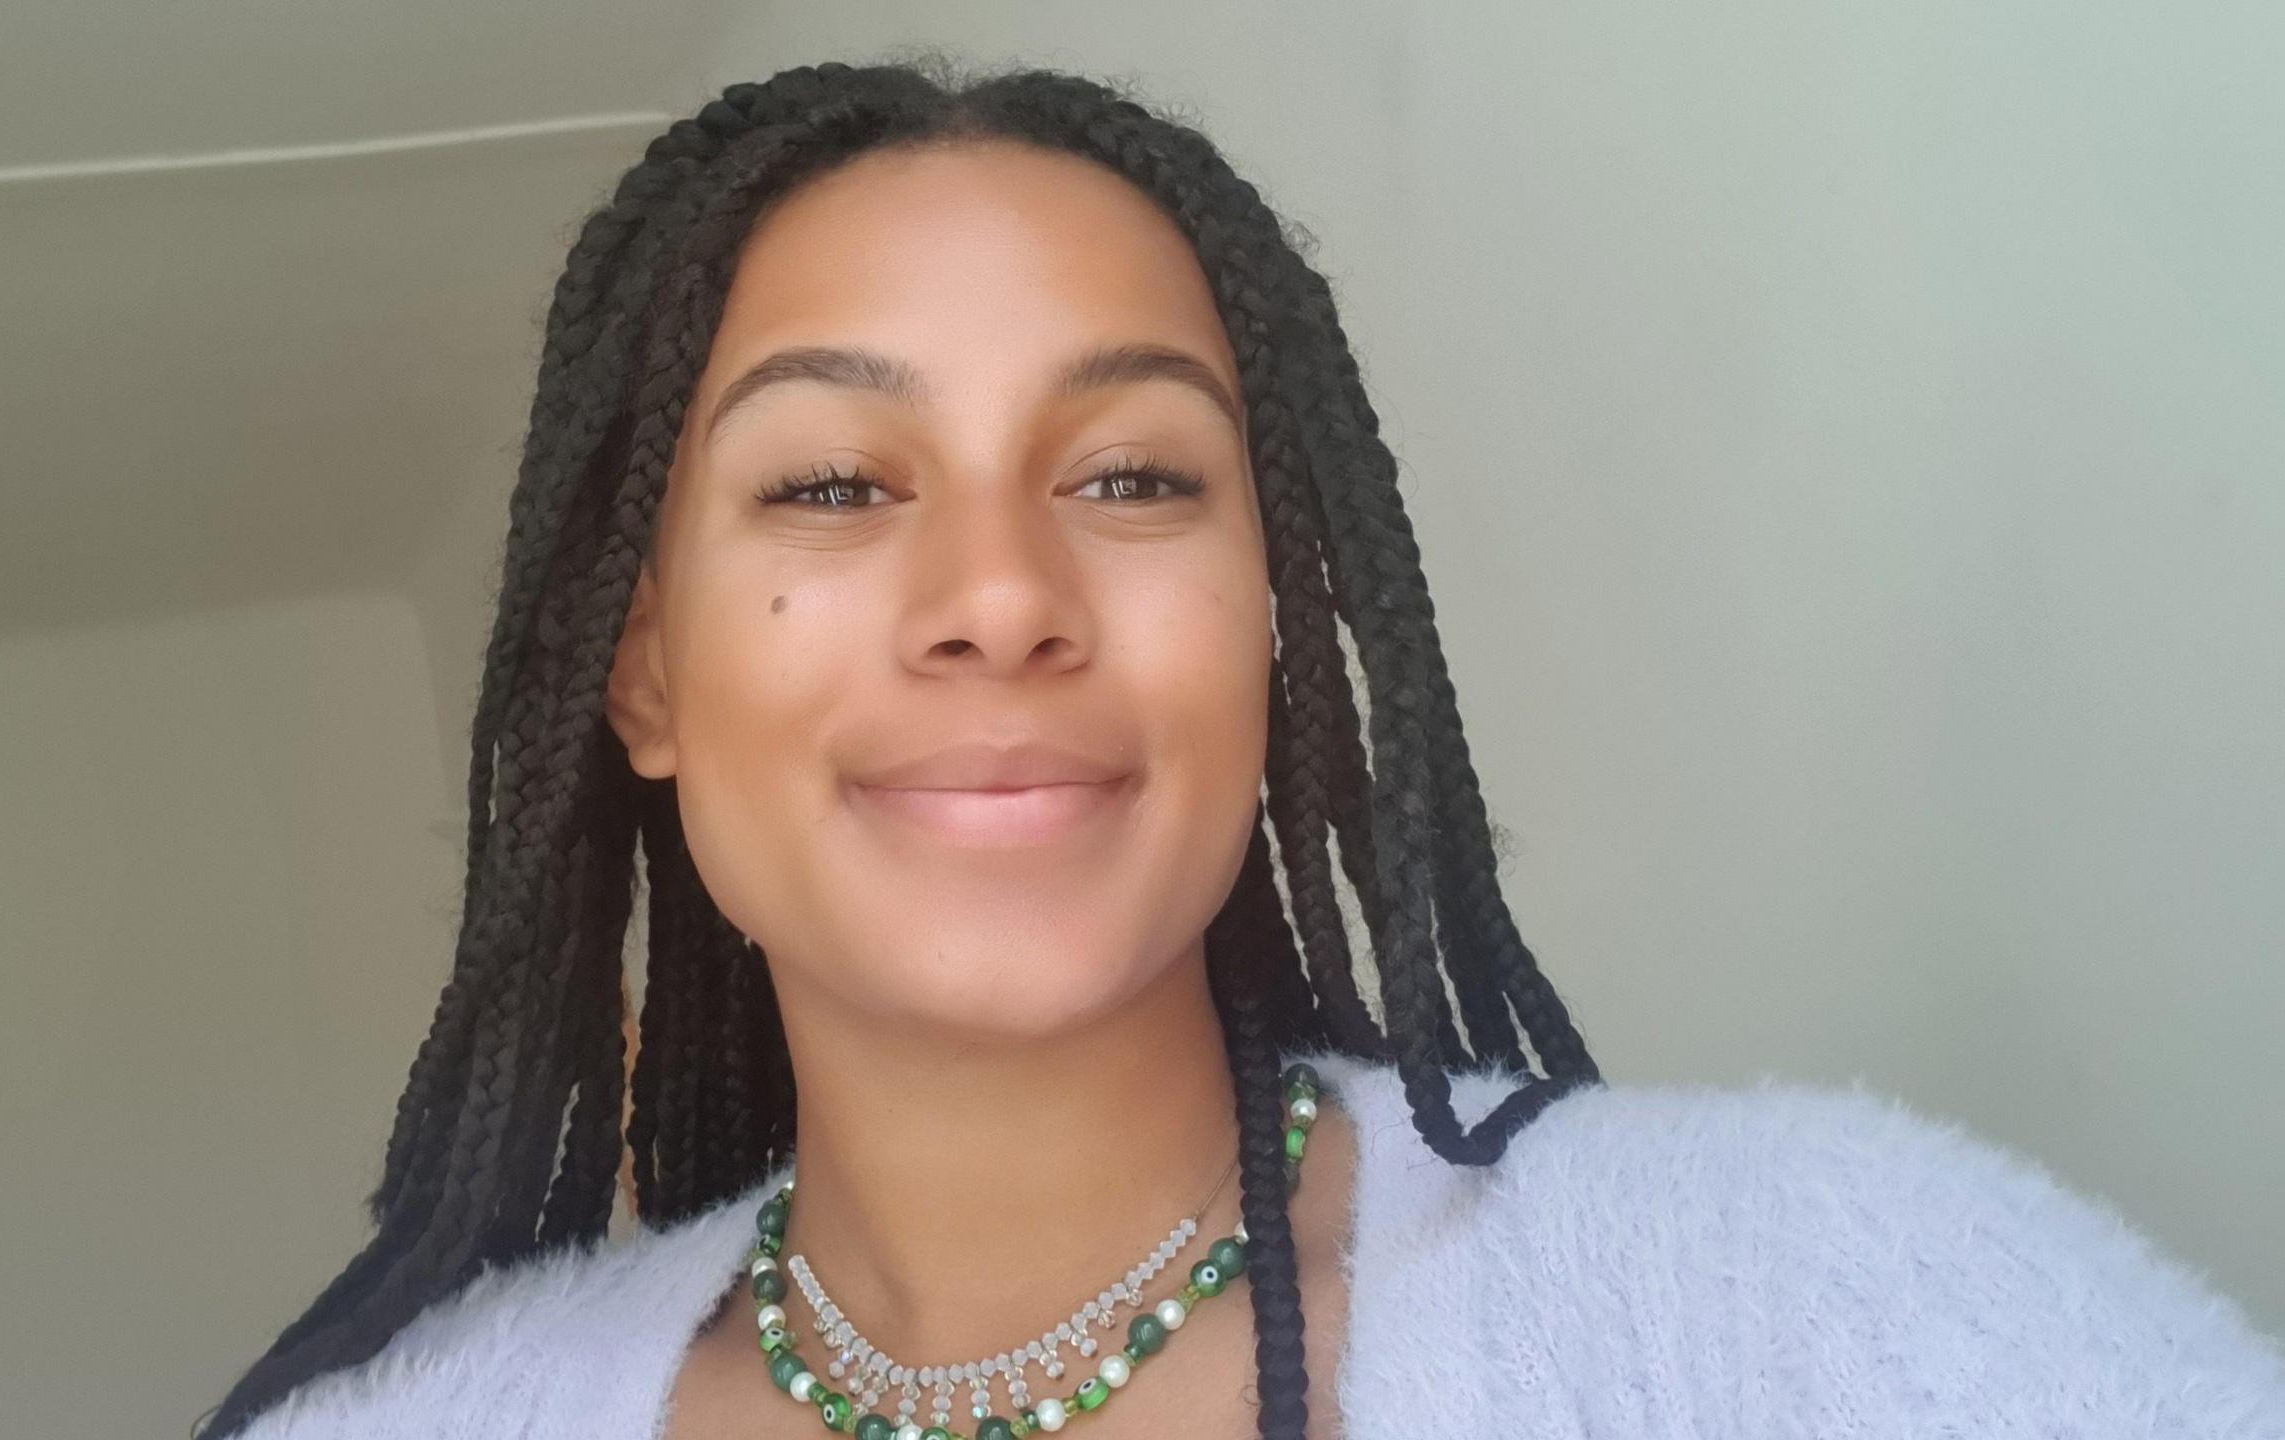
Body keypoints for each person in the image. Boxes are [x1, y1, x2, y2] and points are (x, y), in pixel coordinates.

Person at [194, 58, 2285, 1439]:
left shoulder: (1811, 1311)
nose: (1000, 590)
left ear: (1269, 627)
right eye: (833, 485)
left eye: (1126, 477)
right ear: (635, 673)